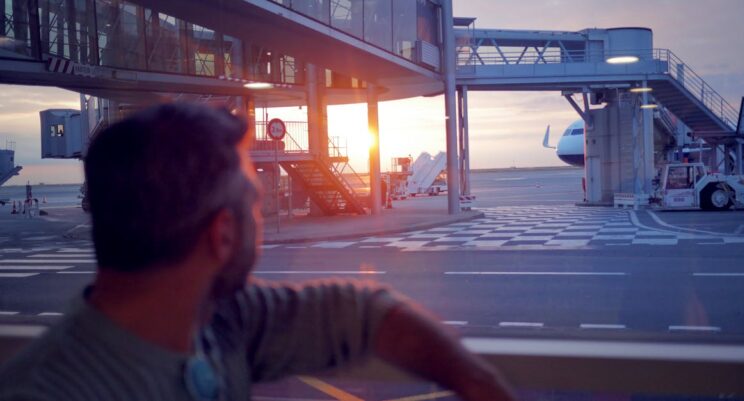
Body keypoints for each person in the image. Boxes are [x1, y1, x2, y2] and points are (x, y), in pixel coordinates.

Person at [0, 103, 515, 401]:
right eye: (257, 205)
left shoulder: (219, 323)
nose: (263, 222)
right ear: (222, 235)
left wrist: (479, 384)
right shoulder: (53, 391)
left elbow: (366, 312)